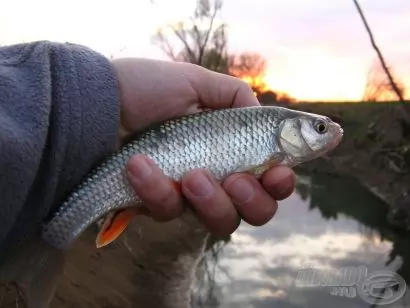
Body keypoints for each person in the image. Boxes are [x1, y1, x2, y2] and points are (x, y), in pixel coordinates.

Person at [0, 41, 295, 254]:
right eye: (319, 128)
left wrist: (100, 104)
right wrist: (108, 105)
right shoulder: (266, 135)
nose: (328, 132)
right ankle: (46, 242)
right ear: (286, 128)